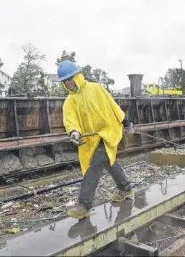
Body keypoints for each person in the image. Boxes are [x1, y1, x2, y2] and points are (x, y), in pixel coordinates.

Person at [57, 60, 135, 219]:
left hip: (107, 133)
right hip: (90, 140)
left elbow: (113, 105)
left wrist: (126, 123)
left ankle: (84, 205)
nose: (67, 83)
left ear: (77, 76)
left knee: (97, 162)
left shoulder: (96, 89)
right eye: (64, 81)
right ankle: (125, 188)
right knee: (109, 161)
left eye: (69, 78)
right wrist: (73, 132)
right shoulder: (69, 102)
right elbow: (69, 121)